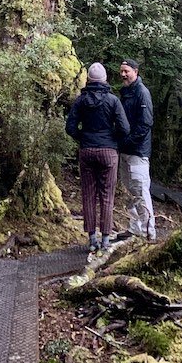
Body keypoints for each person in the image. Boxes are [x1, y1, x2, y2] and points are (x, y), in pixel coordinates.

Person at [66, 62, 130, 257]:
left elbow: (70, 127)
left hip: (87, 150)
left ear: (89, 80)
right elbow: (125, 128)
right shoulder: (113, 101)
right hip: (108, 152)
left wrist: (83, 138)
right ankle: (105, 240)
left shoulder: (80, 100)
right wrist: (112, 140)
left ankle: (91, 239)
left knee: (88, 195)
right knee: (107, 196)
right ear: (104, 80)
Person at [118, 58, 156, 241]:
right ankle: (134, 229)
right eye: (122, 71)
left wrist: (130, 141)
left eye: (127, 71)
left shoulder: (142, 93)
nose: (124, 74)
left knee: (141, 191)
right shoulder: (125, 92)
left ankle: (149, 232)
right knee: (129, 191)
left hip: (138, 152)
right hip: (124, 151)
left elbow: (146, 123)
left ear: (136, 71)